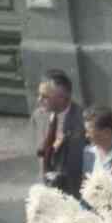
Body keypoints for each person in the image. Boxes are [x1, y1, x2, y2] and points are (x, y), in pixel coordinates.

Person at [36, 70, 86, 199]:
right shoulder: (38, 116)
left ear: (62, 98)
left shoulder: (83, 122)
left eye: (45, 96)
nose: (39, 100)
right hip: (48, 187)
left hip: (74, 193)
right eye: (39, 95)